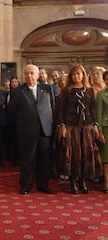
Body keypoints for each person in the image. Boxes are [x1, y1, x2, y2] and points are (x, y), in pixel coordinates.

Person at [8, 64, 55, 195]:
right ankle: (26, 185)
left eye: (32, 73)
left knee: (44, 159)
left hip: (45, 130)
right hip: (27, 131)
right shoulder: (17, 91)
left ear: (38, 75)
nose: (29, 76)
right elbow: (12, 112)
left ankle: (43, 184)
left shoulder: (47, 88)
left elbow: (52, 107)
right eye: (26, 73)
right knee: (27, 160)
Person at [60, 64, 98, 194]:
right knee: (74, 154)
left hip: (87, 126)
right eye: (74, 74)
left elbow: (93, 109)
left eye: (78, 74)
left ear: (83, 75)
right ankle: (73, 181)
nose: (76, 76)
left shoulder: (90, 90)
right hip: (72, 126)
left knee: (85, 154)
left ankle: (83, 181)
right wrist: (63, 125)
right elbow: (62, 109)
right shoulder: (67, 90)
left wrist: (95, 126)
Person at [97, 70, 108, 193]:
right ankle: (106, 181)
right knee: (106, 157)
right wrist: (99, 131)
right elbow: (98, 114)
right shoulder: (101, 94)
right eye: (107, 79)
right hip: (106, 127)